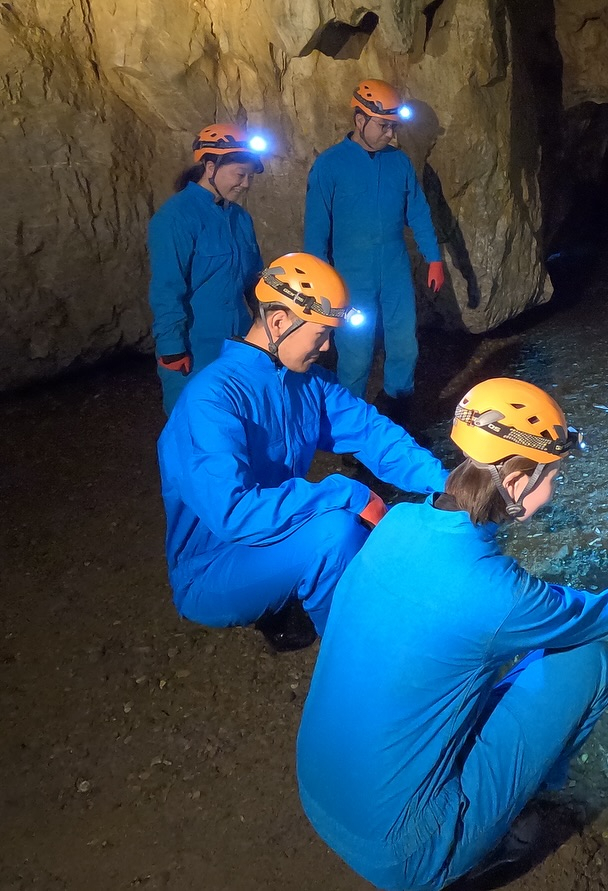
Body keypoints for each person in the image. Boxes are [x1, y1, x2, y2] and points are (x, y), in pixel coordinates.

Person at [295, 377, 608, 891]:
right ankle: (504, 816)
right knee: (585, 660)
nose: (555, 490)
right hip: (402, 851)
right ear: (516, 482)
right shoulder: (496, 594)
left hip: (318, 790)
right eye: (552, 476)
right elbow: (587, 615)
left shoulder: (399, 521)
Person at [157, 252, 448, 652]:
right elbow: (233, 512)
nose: (328, 347)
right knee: (337, 531)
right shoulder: (211, 400)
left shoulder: (306, 383)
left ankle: (346, 620)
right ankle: (357, 662)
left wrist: (449, 484)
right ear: (279, 322)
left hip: (275, 538)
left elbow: (373, 433)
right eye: (320, 334)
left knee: (362, 530)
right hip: (212, 567)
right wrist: (347, 492)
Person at [303, 79, 446, 414]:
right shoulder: (330, 165)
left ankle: (397, 408)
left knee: (404, 344)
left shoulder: (398, 162)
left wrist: (434, 258)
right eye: (384, 126)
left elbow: (419, 211)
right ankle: (347, 427)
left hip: (394, 270)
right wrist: (316, 283)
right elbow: (316, 229)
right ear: (360, 120)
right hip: (351, 276)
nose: (390, 135)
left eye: (393, 127)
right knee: (355, 351)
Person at [147, 123, 267, 415]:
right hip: (195, 346)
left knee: (238, 424)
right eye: (240, 175)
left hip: (236, 343)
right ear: (210, 166)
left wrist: (267, 325)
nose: (246, 184)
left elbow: (255, 279)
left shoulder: (240, 218)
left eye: (250, 176)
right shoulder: (175, 218)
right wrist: (172, 347)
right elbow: (166, 288)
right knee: (192, 428)